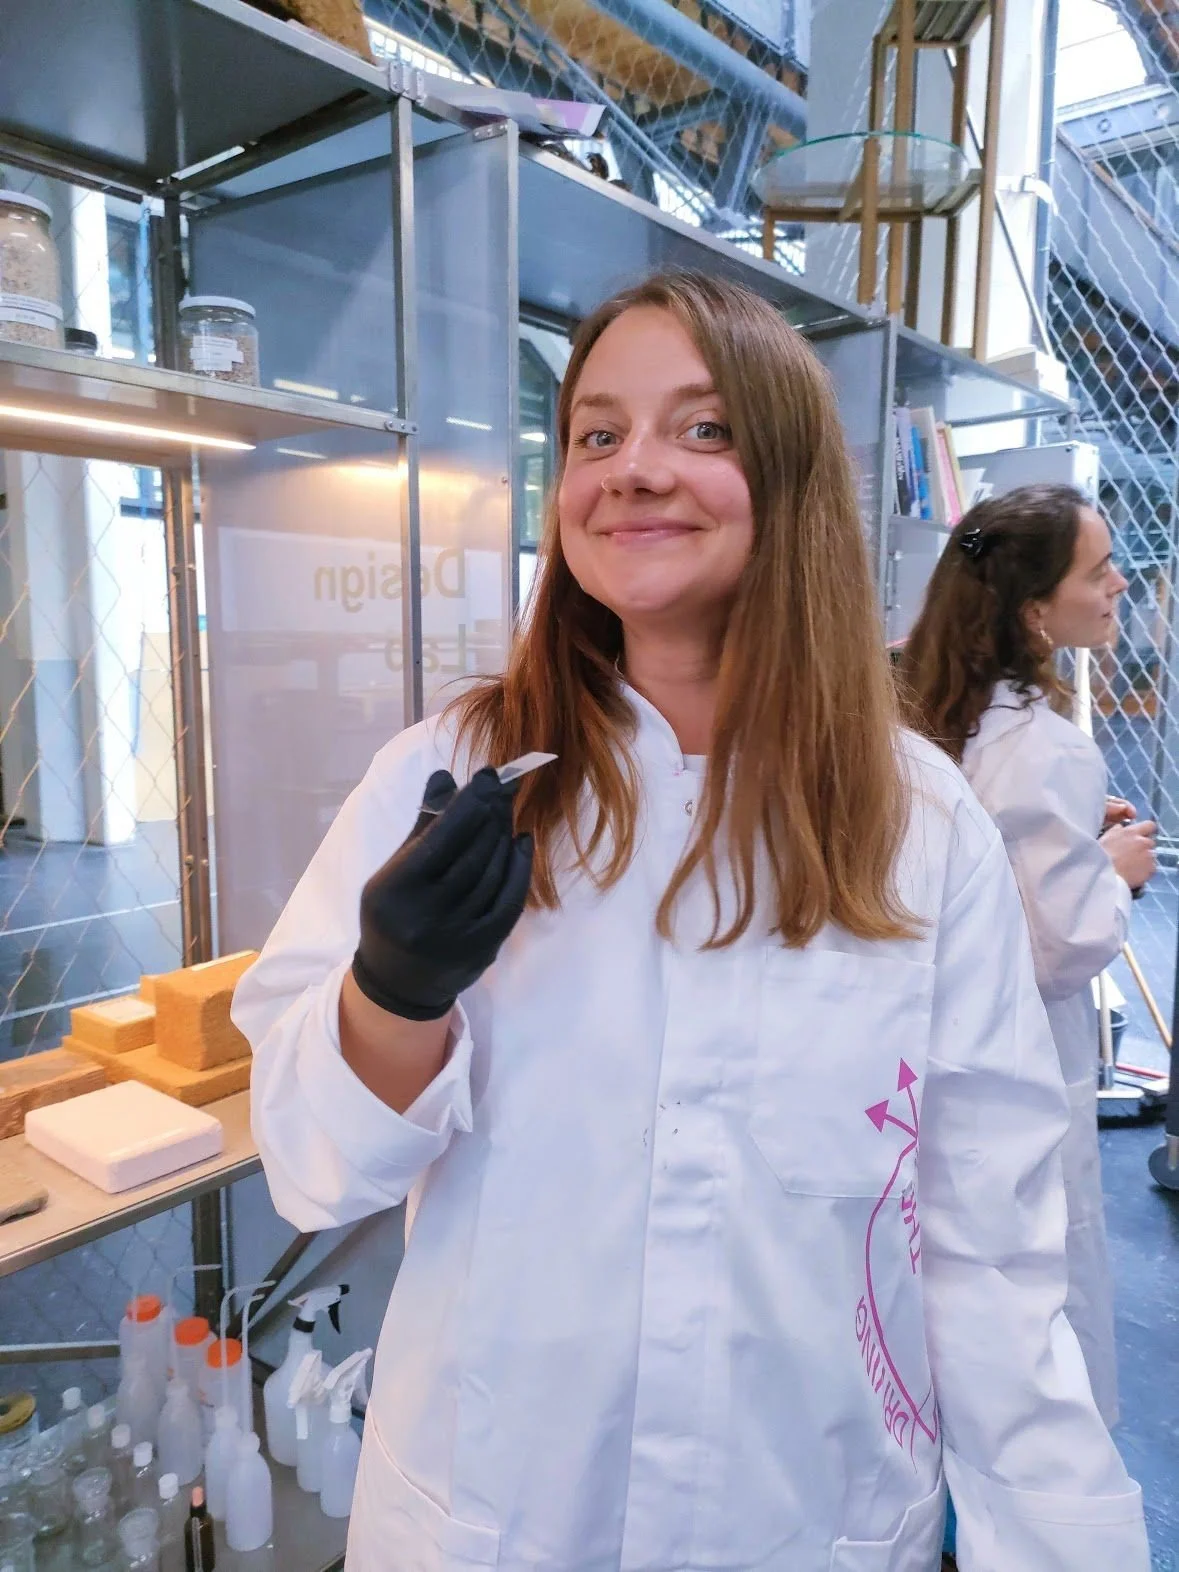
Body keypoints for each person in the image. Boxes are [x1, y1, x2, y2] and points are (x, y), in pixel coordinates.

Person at [235, 276, 1150, 1571]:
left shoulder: (917, 825)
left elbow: (987, 1255)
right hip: (494, 1520)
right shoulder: (446, 776)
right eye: (596, 435)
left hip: (799, 1523)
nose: (633, 471)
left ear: (787, 480)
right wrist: (391, 995)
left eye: (700, 430)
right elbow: (312, 1168)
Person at [900, 482, 1158, 1430]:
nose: (1120, 585)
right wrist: (1112, 872)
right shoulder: (1047, 748)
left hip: (922, 1058)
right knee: (1036, 1278)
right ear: (1033, 610)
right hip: (1019, 1065)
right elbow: (1056, 947)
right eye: (1097, 572)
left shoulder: (922, 720)